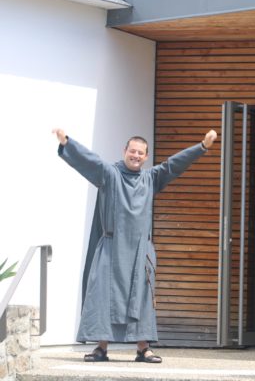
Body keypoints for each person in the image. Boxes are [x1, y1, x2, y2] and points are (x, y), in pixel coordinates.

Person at [53, 127, 217, 363]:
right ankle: (101, 348)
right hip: (111, 248)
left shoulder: (151, 178)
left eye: (141, 153)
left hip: (141, 251)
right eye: (133, 151)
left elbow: (173, 165)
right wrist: (67, 142)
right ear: (125, 151)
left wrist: (202, 146)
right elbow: (90, 160)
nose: (136, 156)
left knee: (142, 298)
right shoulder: (110, 174)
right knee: (103, 295)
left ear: (146, 156)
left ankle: (143, 349)